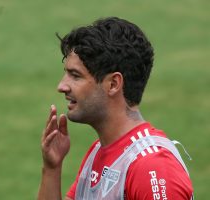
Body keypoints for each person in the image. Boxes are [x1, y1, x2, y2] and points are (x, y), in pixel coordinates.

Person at [37, 17, 193, 200]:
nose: (62, 86)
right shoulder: (98, 153)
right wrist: (52, 169)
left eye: (75, 75)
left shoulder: (152, 167)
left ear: (113, 84)